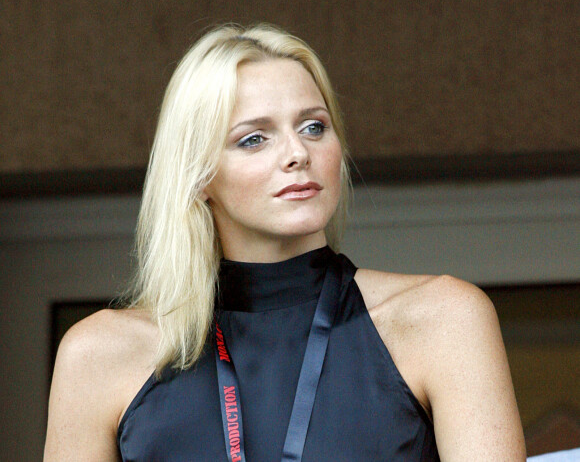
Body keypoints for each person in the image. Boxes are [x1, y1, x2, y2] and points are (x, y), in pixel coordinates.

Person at [44, 23, 526, 461]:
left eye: (314, 126)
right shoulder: (98, 355)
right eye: (254, 139)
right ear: (198, 176)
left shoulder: (443, 319)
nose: (298, 153)